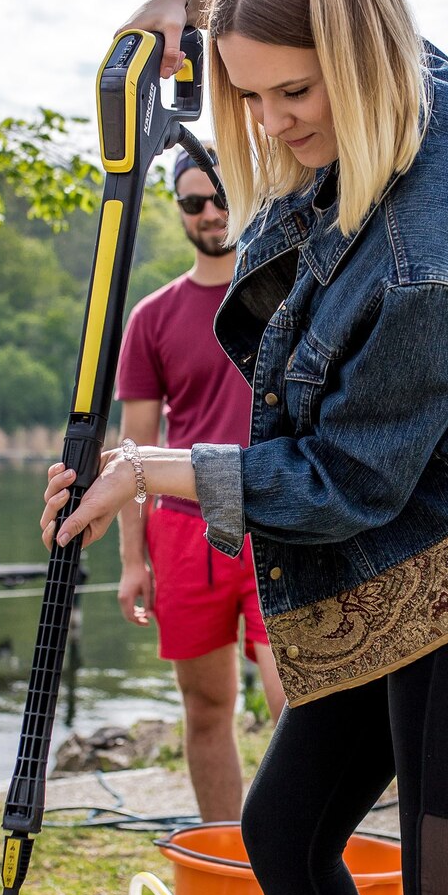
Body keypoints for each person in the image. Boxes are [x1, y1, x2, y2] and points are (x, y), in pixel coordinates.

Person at [43, 0, 448, 895]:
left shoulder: (427, 254)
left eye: (294, 92)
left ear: (358, 57)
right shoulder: (411, 74)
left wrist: (148, 471)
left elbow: (346, 477)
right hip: (386, 557)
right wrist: (192, 3)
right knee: (282, 833)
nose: (271, 121)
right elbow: (310, 4)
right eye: (247, 92)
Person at [114, 144, 284, 823]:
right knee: (207, 705)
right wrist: (132, 559)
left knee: (295, 702)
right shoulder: (151, 318)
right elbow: (134, 448)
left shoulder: (284, 290)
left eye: (220, 195)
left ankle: (297, 857)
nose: (211, 212)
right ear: (179, 211)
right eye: (194, 202)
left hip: (278, 515)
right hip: (184, 531)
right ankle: (225, 851)